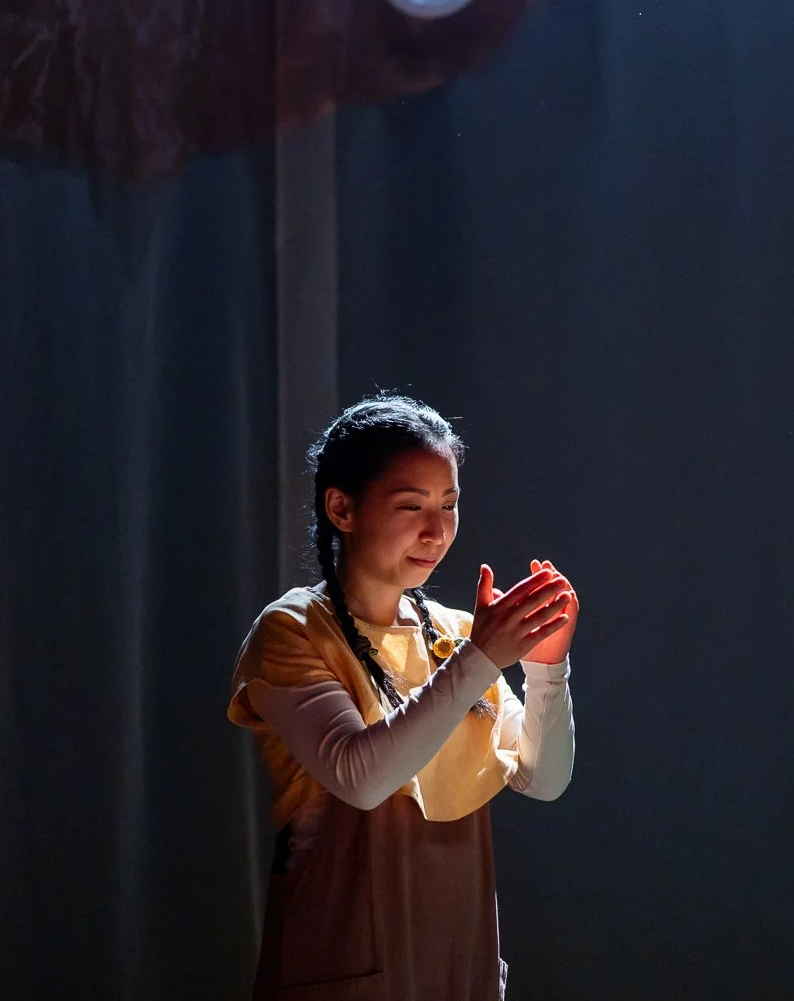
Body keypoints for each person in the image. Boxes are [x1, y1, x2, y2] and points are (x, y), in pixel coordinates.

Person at [228, 395, 579, 1000]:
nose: (436, 531)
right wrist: (481, 657)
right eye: (411, 506)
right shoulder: (294, 629)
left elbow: (542, 779)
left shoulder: (458, 635)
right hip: (345, 971)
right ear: (341, 508)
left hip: (459, 968)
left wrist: (547, 669)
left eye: (449, 505)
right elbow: (362, 778)